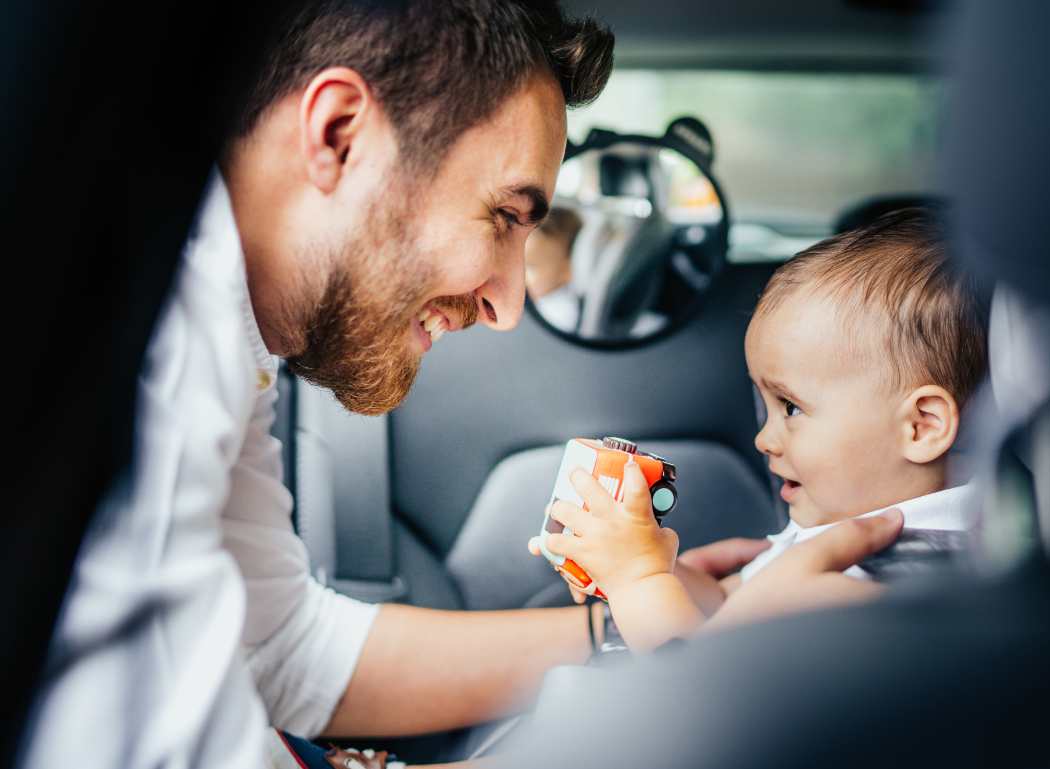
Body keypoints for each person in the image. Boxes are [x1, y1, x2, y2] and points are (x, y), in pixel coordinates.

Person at [19, 3, 898, 767]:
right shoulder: (159, 355)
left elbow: (284, 647)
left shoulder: (236, 322)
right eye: (505, 216)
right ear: (339, 135)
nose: (510, 303)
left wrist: (640, 620)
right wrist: (707, 689)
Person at [539, 208, 988, 650]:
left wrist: (640, 580)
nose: (763, 439)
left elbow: (705, 685)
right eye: (766, 406)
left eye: (790, 408)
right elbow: (727, 606)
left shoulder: (909, 581)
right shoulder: (848, 524)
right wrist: (648, 562)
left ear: (921, 426)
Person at [525, 207, 582, 331]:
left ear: (566, 271)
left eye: (531, 267)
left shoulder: (561, 311)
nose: (520, 276)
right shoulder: (539, 298)